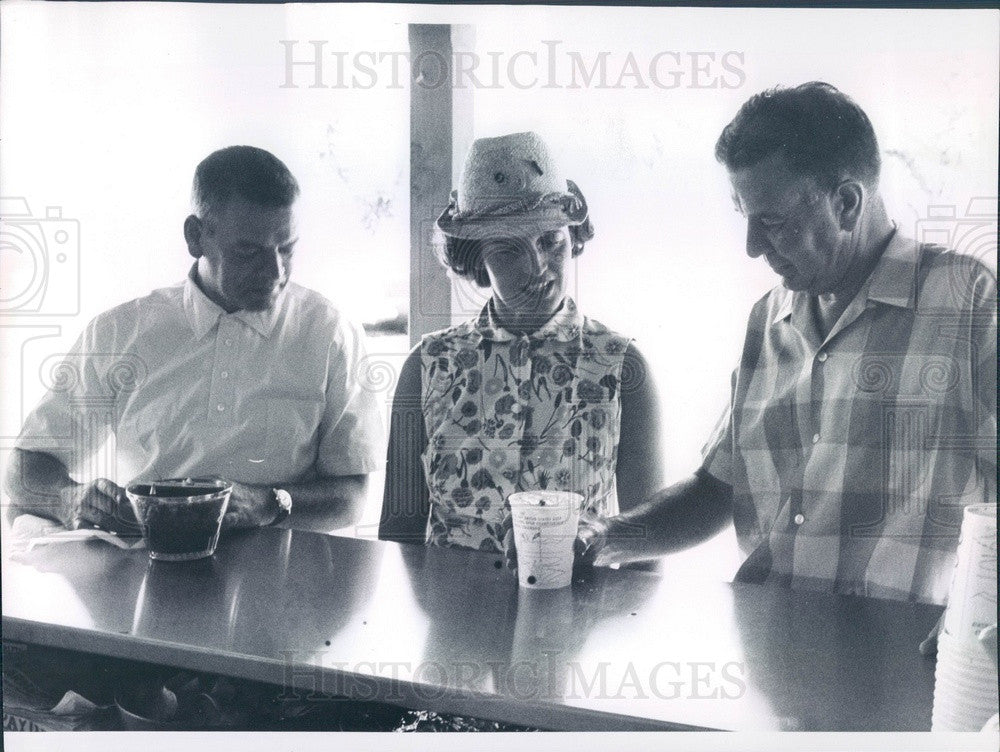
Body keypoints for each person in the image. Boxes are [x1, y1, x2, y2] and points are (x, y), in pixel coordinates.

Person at [554, 83, 997, 606]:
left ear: (848, 203)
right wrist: (607, 536)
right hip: (769, 655)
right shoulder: (768, 318)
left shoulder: (969, 302)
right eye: (745, 218)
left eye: (772, 221)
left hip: (908, 668)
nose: (752, 246)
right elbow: (718, 489)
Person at [4, 146, 384, 535]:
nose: (275, 271)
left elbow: (353, 497)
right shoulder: (118, 333)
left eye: (287, 248)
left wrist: (270, 503)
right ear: (195, 236)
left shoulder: (330, 333)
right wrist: (68, 498)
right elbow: (21, 471)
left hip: (283, 576)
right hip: (144, 566)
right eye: (248, 251)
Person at [380, 132, 663, 552]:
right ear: (475, 259)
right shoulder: (428, 366)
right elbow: (395, 546)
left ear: (573, 237)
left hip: (579, 613)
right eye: (509, 251)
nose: (538, 267)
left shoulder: (622, 367)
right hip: (449, 614)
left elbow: (645, 548)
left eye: (551, 241)